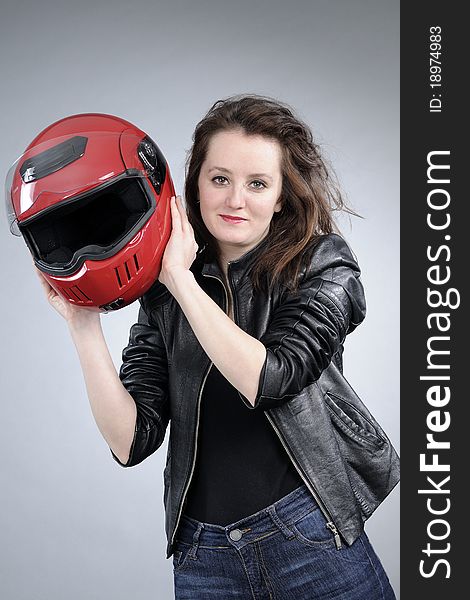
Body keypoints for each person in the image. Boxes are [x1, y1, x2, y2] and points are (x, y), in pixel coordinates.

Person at [36, 95, 399, 599]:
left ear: (280, 197)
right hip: (203, 556)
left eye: (257, 184)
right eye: (220, 178)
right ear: (195, 185)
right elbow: (130, 441)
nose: (234, 200)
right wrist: (83, 325)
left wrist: (181, 282)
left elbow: (271, 380)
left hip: (309, 538)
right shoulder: (163, 294)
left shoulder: (323, 264)